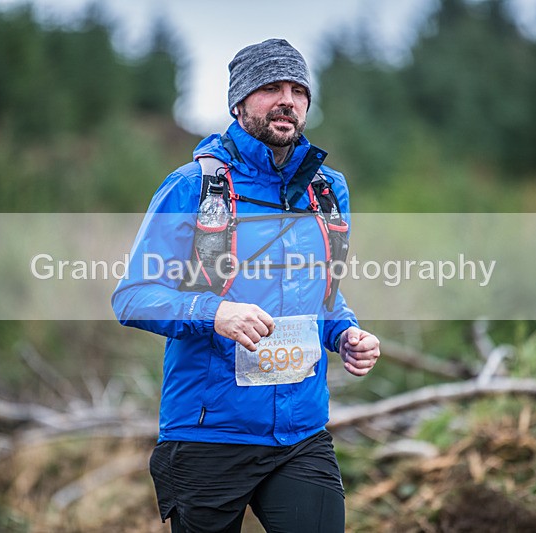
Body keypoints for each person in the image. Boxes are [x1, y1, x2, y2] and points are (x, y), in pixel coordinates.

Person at [112, 38, 380, 533]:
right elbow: (132, 296)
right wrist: (215, 313)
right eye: (271, 88)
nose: (288, 100)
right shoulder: (193, 186)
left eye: (299, 90)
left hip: (301, 434)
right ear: (239, 103)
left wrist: (345, 333)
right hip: (209, 432)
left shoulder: (327, 189)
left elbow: (322, 293)